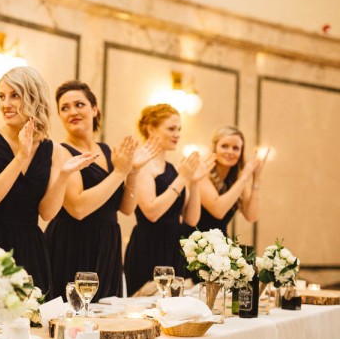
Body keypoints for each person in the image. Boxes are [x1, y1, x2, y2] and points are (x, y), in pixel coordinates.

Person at [0, 67, 96, 295]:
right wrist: (21, 157)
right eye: (2, 96)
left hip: (30, 247)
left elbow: (47, 213)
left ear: (34, 97)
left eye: (15, 95)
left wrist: (63, 176)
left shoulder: (53, 150)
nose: (6, 104)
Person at [45, 80, 159, 301]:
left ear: (94, 110)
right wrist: (119, 173)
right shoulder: (60, 151)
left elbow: (126, 208)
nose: (72, 112)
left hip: (108, 242)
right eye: (64, 108)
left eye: (79, 104)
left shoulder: (107, 150)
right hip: (73, 243)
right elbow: (78, 208)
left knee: (106, 318)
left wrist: (133, 171)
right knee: (74, 318)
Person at [124, 103, 213, 296]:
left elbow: (191, 220)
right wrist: (183, 178)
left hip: (174, 246)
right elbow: (152, 212)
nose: (177, 134)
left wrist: (194, 182)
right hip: (148, 247)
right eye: (171, 128)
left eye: (179, 129)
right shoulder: (142, 165)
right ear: (151, 129)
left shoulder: (173, 168)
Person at [197, 125, 268, 235]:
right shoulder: (202, 174)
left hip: (220, 245)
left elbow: (252, 216)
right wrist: (244, 176)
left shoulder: (237, 180)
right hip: (193, 243)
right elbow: (218, 211)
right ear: (215, 148)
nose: (230, 152)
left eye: (236, 148)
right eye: (224, 146)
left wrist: (256, 179)